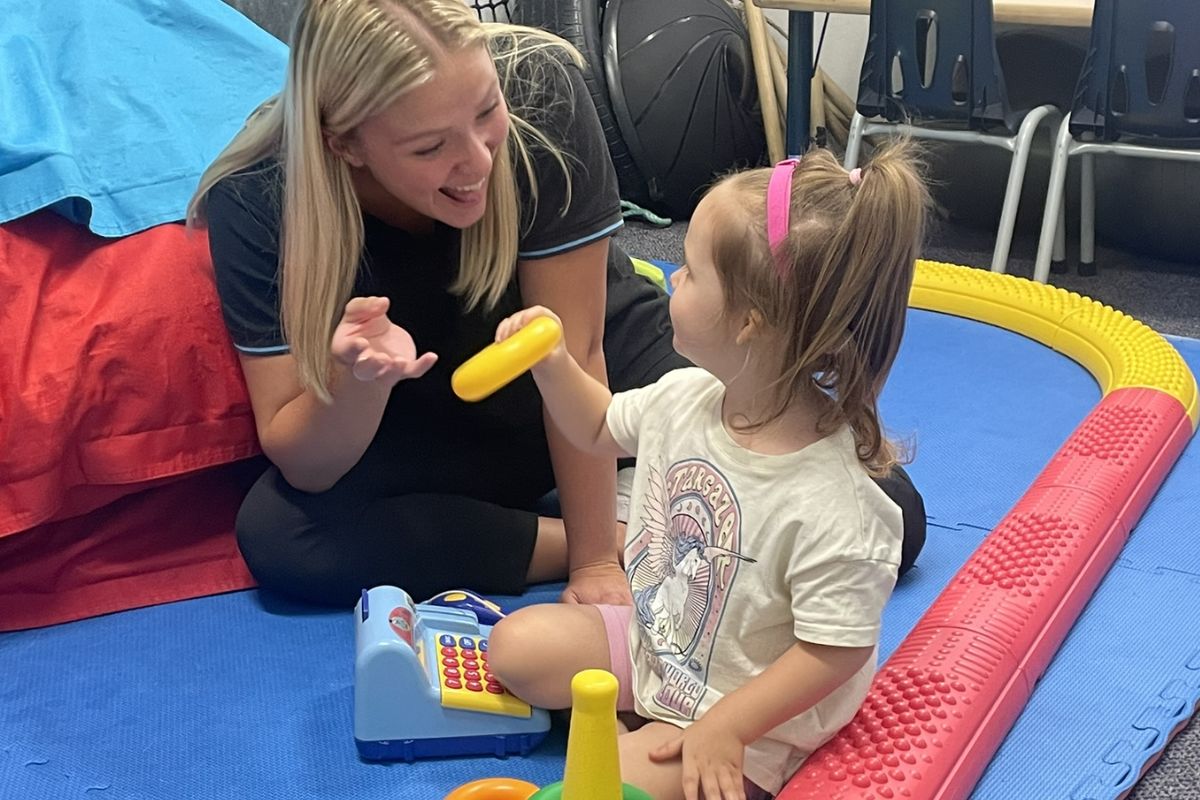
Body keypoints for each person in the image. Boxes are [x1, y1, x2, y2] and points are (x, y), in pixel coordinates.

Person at [188, 0, 925, 610]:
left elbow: (574, 350)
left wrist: (599, 570)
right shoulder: (257, 201)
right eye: (428, 148)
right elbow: (308, 464)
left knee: (882, 511)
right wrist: (358, 384)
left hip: (581, 373)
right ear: (343, 144)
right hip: (425, 425)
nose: (476, 161)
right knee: (284, 538)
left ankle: (641, 518)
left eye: (485, 112)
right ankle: (674, 533)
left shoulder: (541, 90)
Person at [487, 145, 931, 800]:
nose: (670, 280)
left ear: (750, 321)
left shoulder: (834, 501)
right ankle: (630, 723)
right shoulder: (684, 399)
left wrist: (726, 727)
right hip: (659, 649)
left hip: (743, 708)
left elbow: (835, 652)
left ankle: (638, 740)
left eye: (690, 272)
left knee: (601, 787)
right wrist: (552, 361)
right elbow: (595, 425)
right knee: (515, 647)